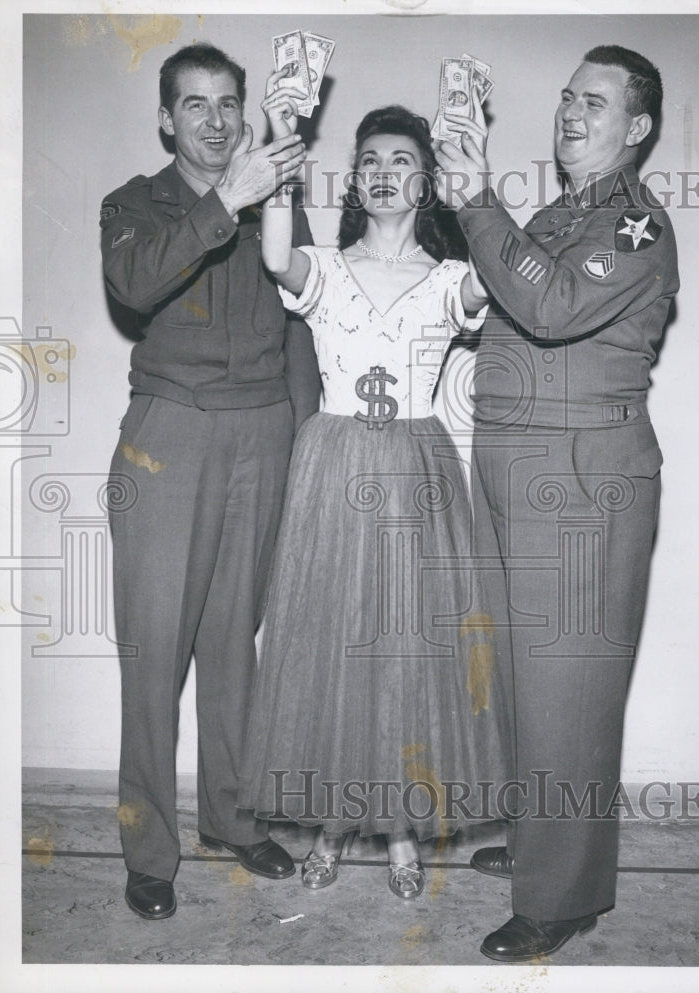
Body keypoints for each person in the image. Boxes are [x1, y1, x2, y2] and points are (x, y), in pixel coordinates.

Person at [236, 72, 512, 900]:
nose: (384, 171)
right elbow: (274, 254)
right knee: (329, 644)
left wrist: (478, 183)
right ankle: (328, 823)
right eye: (369, 161)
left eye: (402, 160)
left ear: (424, 182)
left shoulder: (450, 277)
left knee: (407, 654)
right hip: (333, 470)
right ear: (353, 181)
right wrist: (281, 145)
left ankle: (399, 833)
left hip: (419, 476)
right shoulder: (320, 267)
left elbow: (500, 272)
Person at [434, 45, 678, 959]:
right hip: (514, 462)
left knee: (569, 684)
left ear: (637, 128)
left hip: (581, 479)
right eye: (568, 95)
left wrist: (474, 201)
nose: (572, 109)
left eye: (597, 101)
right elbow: (502, 295)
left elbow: (551, 308)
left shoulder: (638, 227)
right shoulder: (554, 212)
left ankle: (564, 896)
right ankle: (547, 843)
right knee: (528, 680)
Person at [100, 43, 321, 920]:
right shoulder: (134, 203)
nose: (218, 120)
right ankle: (147, 850)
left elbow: (300, 329)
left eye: (229, 102)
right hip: (169, 435)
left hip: (263, 432)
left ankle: (232, 818)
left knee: (236, 645)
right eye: (196, 105)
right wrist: (226, 202)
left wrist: (305, 443)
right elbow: (131, 284)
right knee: (154, 656)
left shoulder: (277, 202)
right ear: (167, 118)